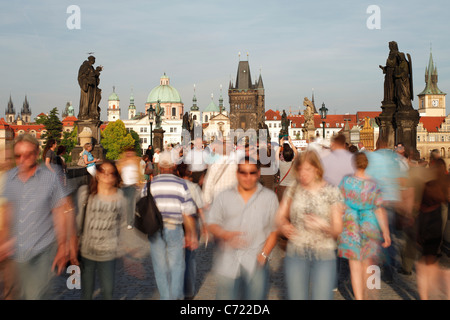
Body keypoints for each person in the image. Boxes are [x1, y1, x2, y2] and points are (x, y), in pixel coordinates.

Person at [0, 133, 77, 299]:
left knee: (35, 295)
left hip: (43, 249)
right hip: (17, 250)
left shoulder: (49, 178)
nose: (23, 159)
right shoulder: (10, 178)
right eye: (18, 156)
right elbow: (8, 211)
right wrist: (4, 241)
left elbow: (60, 212)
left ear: (36, 154)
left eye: (28, 155)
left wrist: (63, 245)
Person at [276, 150, 344, 300]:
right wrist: (284, 225)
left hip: (324, 253)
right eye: (300, 169)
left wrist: (323, 225)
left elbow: (338, 229)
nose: (303, 174)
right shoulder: (294, 187)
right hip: (297, 252)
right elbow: (279, 216)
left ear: (317, 169)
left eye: (307, 169)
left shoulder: (332, 191)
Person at [207, 156, 279, 300]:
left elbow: (274, 230)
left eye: (252, 172)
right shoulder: (224, 196)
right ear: (237, 173)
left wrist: (264, 255)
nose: (248, 177)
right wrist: (224, 234)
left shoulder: (269, 198)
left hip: (256, 262)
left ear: (258, 174)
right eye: (243, 172)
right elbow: (212, 223)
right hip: (228, 261)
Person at [141, 150, 198, 300]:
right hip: (174, 228)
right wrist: (190, 234)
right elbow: (188, 212)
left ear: (159, 165)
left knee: (160, 267)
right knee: (177, 266)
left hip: (155, 230)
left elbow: (142, 207)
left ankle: (165, 297)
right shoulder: (181, 184)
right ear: (173, 165)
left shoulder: (149, 184)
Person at [337, 152, 391, 300]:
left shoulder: (346, 181)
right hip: (369, 225)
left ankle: (359, 298)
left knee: (354, 267)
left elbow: (339, 204)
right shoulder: (373, 184)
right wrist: (386, 233)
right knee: (367, 264)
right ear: (367, 164)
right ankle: (366, 295)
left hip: (350, 225)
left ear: (354, 163)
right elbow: (380, 209)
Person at [76, 160, 128, 300]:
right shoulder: (85, 193)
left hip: (108, 251)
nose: (106, 176)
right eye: (103, 172)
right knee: (86, 293)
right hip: (87, 250)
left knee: (108, 292)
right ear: (97, 174)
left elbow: (122, 225)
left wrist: (125, 250)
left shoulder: (120, 197)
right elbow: (78, 221)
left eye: (110, 173)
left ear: (115, 177)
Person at [365, 136, 404, 283]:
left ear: (376, 144)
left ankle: (374, 271)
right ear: (387, 145)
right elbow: (401, 179)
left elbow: (367, 178)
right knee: (390, 236)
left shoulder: (371, 157)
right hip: (392, 200)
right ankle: (390, 268)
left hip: (376, 202)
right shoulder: (394, 158)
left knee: (375, 236)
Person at [415, 158, 450, 299]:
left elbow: (419, 204)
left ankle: (425, 295)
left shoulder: (428, 184)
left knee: (424, 263)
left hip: (425, 222)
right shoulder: (446, 181)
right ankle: (446, 288)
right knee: (432, 261)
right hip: (438, 222)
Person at [176, 163, 207, 300]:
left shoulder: (175, 186)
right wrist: (205, 225)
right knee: (190, 258)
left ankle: (176, 289)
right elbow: (200, 208)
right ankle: (188, 291)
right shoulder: (194, 187)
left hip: (176, 223)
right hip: (192, 223)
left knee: (176, 257)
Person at [116, 147, 141, 229]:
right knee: (120, 204)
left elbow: (139, 172)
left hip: (132, 185)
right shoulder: (122, 161)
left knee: (130, 204)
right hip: (123, 184)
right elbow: (117, 171)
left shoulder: (136, 161)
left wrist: (138, 182)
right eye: (128, 153)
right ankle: (118, 220)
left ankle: (129, 222)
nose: (129, 154)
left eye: (131, 153)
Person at [275, 136, 298, 202]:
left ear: (283, 156)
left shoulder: (280, 164)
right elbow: (297, 153)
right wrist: (291, 143)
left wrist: (280, 144)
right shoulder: (294, 163)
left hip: (282, 188)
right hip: (292, 188)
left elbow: (276, 155)